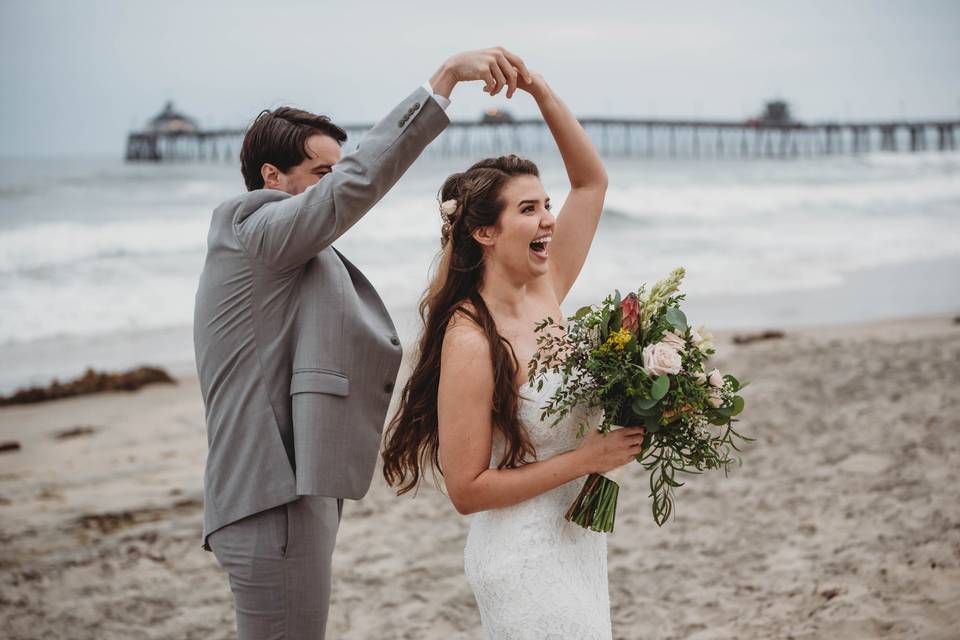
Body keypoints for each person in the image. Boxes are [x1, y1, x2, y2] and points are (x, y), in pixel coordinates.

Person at [193, 47, 532, 639]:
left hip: (286, 493)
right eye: (321, 174)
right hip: (269, 498)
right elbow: (358, 183)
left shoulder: (283, 249)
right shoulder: (254, 229)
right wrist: (445, 81)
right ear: (271, 177)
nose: (333, 184)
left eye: (334, 169)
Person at [382, 72, 645, 638]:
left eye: (546, 204)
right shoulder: (471, 338)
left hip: (578, 542)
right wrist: (586, 460)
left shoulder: (546, 288)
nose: (549, 218)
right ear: (484, 232)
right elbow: (467, 489)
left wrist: (542, 93)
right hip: (521, 559)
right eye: (528, 209)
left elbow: (592, 182)